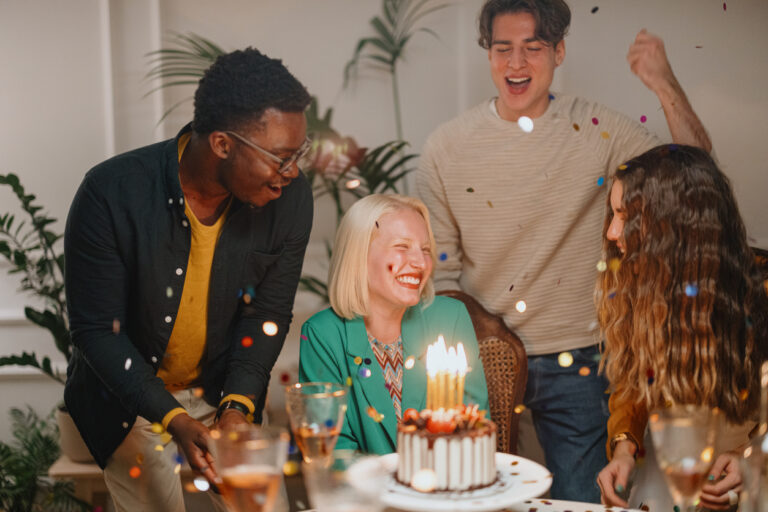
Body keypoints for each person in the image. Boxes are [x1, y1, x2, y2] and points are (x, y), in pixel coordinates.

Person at [416, 0, 712, 502]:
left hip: (582, 361)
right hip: (484, 358)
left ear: (558, 51)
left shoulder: (599, 129)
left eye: (532, 48)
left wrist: (664, 84)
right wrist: (487, 334)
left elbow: (698, 179)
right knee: (473, 498)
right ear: (487, 53)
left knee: (583, 501)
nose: (516, 64)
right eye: (502, 48)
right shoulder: (445, 146)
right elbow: (439, 270)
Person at [64, 48, 313, 512]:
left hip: (220, 388)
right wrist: (173, 417)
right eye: (280, 157)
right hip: (125, 398)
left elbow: (266, 314)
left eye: (299, 152)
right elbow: (98, 333)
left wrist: (237, 409)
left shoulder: (290, 198)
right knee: (157, 498)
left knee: (262, 505)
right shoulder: (110, 193)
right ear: (222, 144)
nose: (292, 171)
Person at [595, 145, 768, 509]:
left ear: (673, 225)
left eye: (625, 217)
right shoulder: (635, 287)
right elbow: (634, 383)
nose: (612, 232)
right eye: (613, 214)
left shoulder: (760, 293)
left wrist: (750, 456)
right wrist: (624, 447)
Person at [299, 194, 489, 454]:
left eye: (425, 250)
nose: (421, 263)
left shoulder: (450, 318)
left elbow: (474, 431)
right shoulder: (323, 335)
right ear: (358, 255)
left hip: (448, 490)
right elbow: (331, 451)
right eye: (402, 247)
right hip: (365, 496)